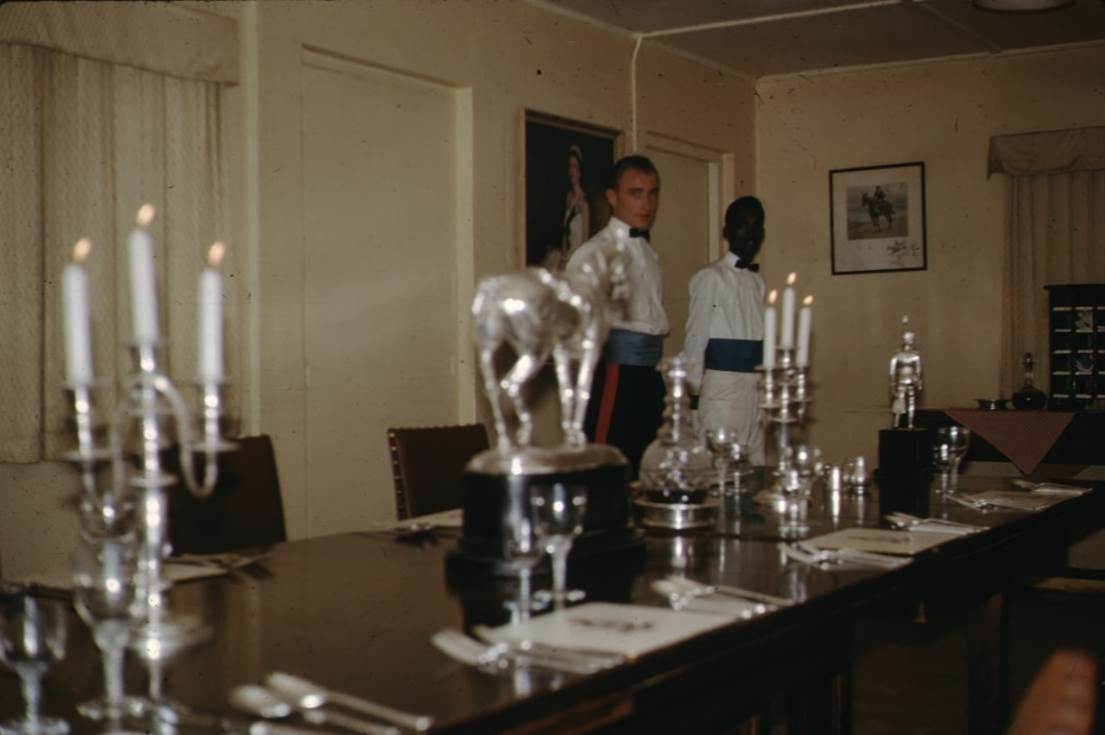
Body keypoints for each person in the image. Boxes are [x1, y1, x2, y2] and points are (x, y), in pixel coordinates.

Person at [568, 155, 666, 475]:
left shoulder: (649, 253)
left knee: (649, 471)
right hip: (612, 376)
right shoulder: (593, 254)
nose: (646, 203)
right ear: (612, 197)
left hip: (648, 377)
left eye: (652, 193)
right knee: (608, 467)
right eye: (636, 193)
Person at [681, 196, 767, 465]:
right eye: (742, 226)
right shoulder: (710, 277)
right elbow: (696, 336)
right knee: (721, 467)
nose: (750, 234)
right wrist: (694, 393)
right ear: (727, 232)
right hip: (721, 388)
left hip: (754, 388)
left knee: (754, 463)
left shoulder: (757, 282)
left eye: (756, 226)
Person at [544, 144, 590, 271]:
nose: (571, 170)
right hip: (566, 255)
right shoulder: (569, 197)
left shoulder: (584, 204)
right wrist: (563, 258)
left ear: (580, 171)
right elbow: (565, 232)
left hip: (577, 257)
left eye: (575, 166)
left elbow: (585, 241)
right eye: (570, 166)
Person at [889, 315, 923, 429]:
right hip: (901, 382)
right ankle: (896, 423)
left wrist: (919, 383)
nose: (910, 341)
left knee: (911, 403)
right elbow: (892, 372)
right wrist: (892, 385)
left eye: (911, 339)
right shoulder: (897, 355)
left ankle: (910, 423)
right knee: (899, 402)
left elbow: (918, 371)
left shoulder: (915, 355)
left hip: (911, 381)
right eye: (908, 339)